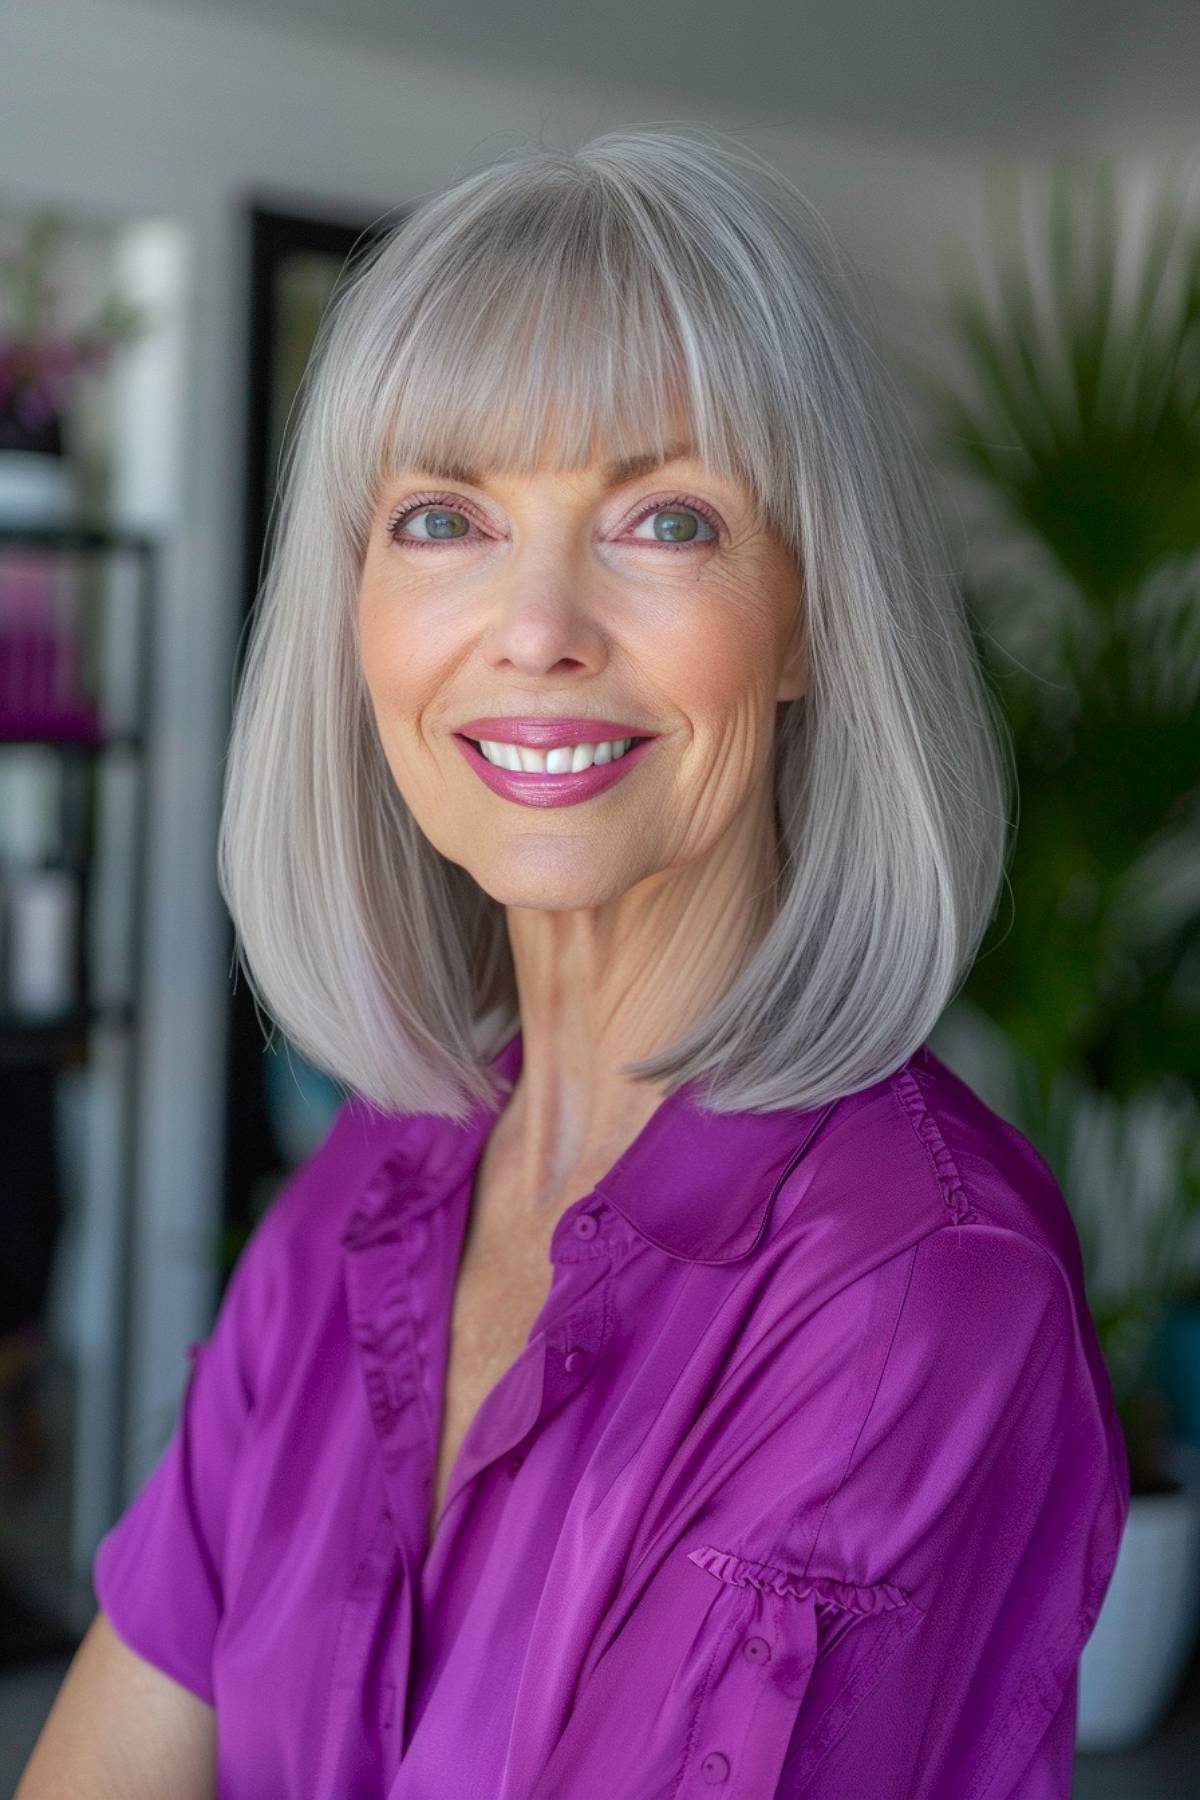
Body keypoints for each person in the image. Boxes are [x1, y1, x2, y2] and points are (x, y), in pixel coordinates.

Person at [18, 125, 1129, 1799]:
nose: (535, 624)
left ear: (815, 611)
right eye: (445, 517)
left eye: (667, 519)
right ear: (355, 611)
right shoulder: (381, 1173)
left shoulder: (914, 1297)